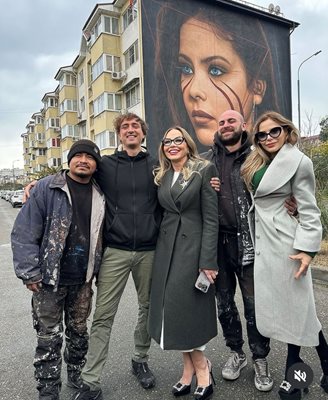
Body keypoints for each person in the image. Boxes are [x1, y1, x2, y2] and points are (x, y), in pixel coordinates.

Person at [73, 113, 162, 400]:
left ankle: (140, 359)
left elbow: (188, 176)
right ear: (119, 135)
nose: (130, 130)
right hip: (115, 250)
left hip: (150, 249)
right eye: (125, 127)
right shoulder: (107, 165)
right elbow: (78, 173)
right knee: (103, 316)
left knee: (148, 308)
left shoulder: (157, 164)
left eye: (135, 126)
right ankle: (91, 379)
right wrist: (41, 184)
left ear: (143, 133)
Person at [241, 111, 328, 399]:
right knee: (300, 311)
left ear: (286, 130)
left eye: (274, 131)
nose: (268, 138)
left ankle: (296, 376)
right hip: (265, 241)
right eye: (262, 135)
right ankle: (327, 366)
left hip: (288, 244)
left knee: (297, 310)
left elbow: (310, 208)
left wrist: (307, 250)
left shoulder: (298, 162)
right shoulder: (256, 161)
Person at [11, 139, 105, 400]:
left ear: (96, 164)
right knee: (49, 338)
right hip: (48, 281)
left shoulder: (100, 193)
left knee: (78, 332)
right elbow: (24, 231)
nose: (83, 160)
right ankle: (48, 389)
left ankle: (76, 375)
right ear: (70, 160)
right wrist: (29, 271)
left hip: (83, 280)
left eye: (89, 156)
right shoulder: (46, 188)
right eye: (78, 155)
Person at [144, 0, 292, 154]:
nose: (194, 91)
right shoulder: (200, 163)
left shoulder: (271, 159)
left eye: (216, 70)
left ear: (257, 88)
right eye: (186, 68)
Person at [203, 109, 273, 392]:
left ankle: (260, 357)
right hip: (217, 244)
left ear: (244, 125)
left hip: (249, 243)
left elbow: (278, 190)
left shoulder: (258, 157)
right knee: (225, 304)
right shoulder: (208, 162)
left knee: (253, 304)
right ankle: (237, 352)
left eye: (231, 121)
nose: (225, 125)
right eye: (221, 122)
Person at [148, 126, 218, 400]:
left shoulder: (204, 169)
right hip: (166, 249)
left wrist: (208, 260)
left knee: (188, 308)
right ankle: (187, 368)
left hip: (193, 249)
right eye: (167, 141)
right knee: (171, 310)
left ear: (187, 144)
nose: (173, 145)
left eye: (178, 140)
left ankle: (202, 367)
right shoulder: (162, 174)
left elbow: (211, 218)